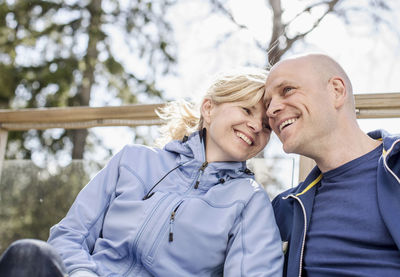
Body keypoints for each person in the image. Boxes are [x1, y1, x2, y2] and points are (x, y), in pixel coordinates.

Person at [0, 68, 284, 277]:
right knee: (27, 255)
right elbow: (69, 235)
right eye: (246, 110)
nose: (256, 126)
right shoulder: (133, 162)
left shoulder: (249, 201)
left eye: (266, 125)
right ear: (208, 110)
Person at [264, 53, 400, 277]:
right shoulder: (284, 208)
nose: (271, 110)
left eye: (287, 90)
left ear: (336, 91)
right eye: (268, 104)